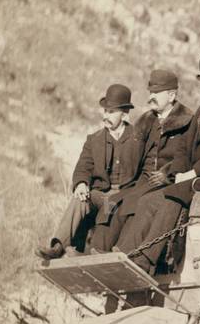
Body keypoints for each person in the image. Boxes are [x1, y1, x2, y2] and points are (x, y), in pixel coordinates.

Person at [116, 54, 200, 274]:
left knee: (175, 195)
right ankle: (124, 254)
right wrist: (178, 171)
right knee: (148, 200)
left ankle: (146, 260)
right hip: (195, 177)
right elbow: (183, 149)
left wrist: (192, 173)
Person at [36, 84, 136, 259]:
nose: (106, 116)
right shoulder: (94, 140)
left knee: (110, 206)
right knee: (79, 198)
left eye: (111, 112)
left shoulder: (137, 138)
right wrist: (81, 183)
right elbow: (83, 166)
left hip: (124, 196)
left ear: (125, 114)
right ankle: (58, 246)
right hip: (100, 194)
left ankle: (95, 250)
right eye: (105, 111)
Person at [105, 69, 193, 248]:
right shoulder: (146, 120)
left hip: (166, 182)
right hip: (142, 180)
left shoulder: (187, 121)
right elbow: (131, 157)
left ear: (171, 95)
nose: (151, 96)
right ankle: (99, 249)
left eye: (156, 93)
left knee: (134, 202)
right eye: (150, 92)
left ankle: (122, 251)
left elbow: (187, 156)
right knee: (112, 201)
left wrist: (167, 173)